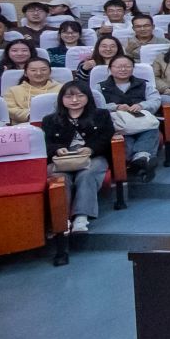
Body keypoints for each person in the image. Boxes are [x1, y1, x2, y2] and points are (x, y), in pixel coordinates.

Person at [43, 81, 114, 234]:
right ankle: (62, 219)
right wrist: (57, 149)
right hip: (62, 160)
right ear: (61, 99)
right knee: (60, 178)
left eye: (80, 96)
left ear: (88, 97)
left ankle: (81, 217)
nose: (74, 100)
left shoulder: (101, 115)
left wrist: (91, 148)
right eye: (69, 97)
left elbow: (106, 138)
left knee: (86, 174)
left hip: (92, 156)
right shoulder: (50, 120)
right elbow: (46, 143)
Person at [97, 54, 162, 182]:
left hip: (142, 121)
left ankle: (139, 160)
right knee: (124, 137)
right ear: (110, 68)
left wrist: (141, 105)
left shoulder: (144, 84)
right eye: (118, 67)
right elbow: (96, 106)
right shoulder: (100, 87)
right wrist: (115, 107)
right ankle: (142, 161)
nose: (123, 69)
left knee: (151, 128)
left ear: (133, 68)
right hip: (117, 124)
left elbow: (155, 100)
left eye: (127, 66)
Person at [4, 56, 64, 124]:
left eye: (43, 70)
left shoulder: (62, 88)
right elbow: (10, 109)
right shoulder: (13, 91)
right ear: (25, 73)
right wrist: (30, 115)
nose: (38, 73)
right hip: (23, 126)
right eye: (33, 70)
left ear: (50, 72)